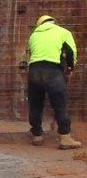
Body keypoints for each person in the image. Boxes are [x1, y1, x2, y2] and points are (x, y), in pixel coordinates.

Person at [24, 14, 79, 150]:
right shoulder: (63, 32)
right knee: (59, 104)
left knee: (36, 104)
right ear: (53, 22)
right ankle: (65, 137)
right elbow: (71, 52)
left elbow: (31, 54)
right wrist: (71, 67)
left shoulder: (33, 36)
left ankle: (37, 135)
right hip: (52, 71)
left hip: (34, 71)